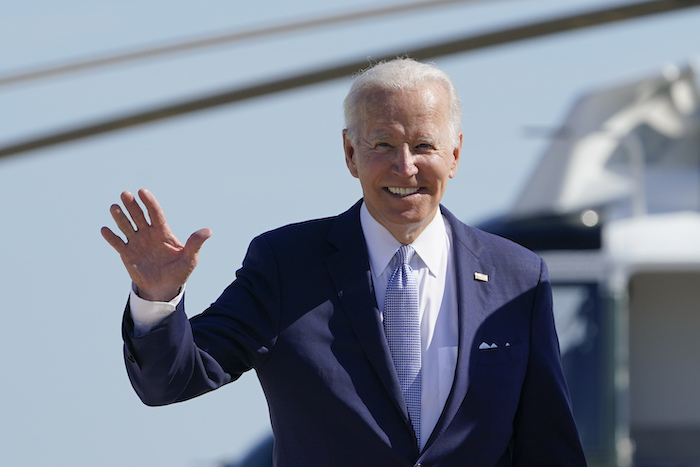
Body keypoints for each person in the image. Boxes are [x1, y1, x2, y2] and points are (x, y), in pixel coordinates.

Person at [102, 58, 587, 466]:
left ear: (455, 153)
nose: (405, 167)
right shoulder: (286, 265)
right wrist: (158, 299)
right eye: (382, 145)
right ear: (350, 153)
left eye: (423, 146)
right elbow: (170, 381)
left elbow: (550, 445)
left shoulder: (518, 277)